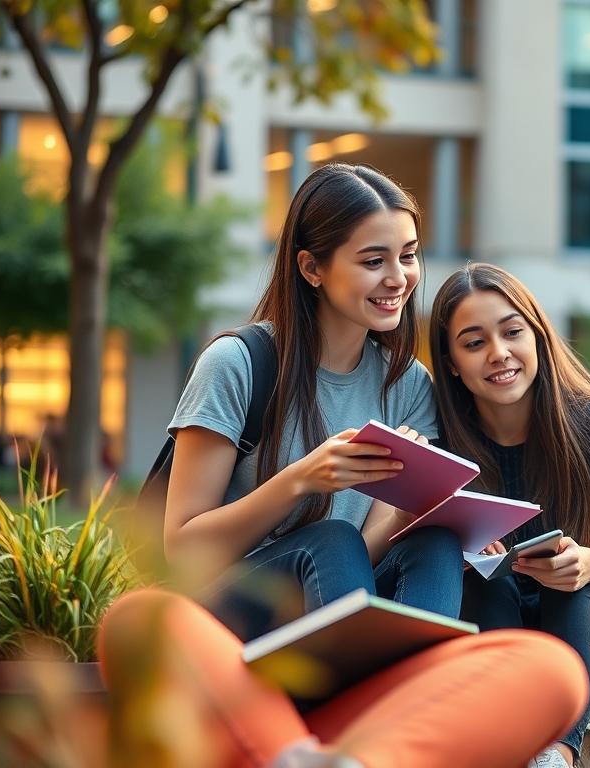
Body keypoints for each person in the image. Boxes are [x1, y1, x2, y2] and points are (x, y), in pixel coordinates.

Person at [163, 163, 464, 640]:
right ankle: (374, 698)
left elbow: (360, 557)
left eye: (407, 256)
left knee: (436, 542)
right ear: (311, 268)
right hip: (234, 616)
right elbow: (181, 549)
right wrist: (302, 479)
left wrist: (411, 513)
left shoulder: (407, 384)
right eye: (372, 261)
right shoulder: (238, 363)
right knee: (330, 538)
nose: (398, 278)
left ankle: (415, 695)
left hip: (333, 602)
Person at [428, 263, 590, 768]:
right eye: (473, 343)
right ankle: (512, 743)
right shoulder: (442, 441)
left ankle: (559, 752)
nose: (499, 353)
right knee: (487, 583)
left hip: (583, 624)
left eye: (513, 332)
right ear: (451, 361)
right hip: (489, 622)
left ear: (537, 336)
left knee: (571, 588)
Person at [99, 588, 589, 768]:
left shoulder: (407, 391)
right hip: (262, 666)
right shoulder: (241, 365)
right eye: (474, 346)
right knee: (144, 614)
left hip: (353, 708)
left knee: (553, 666)